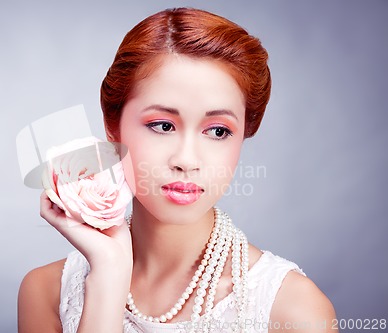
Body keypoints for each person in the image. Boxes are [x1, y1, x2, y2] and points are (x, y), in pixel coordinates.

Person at [18, 7, 336, 333]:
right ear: (113, 127)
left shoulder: (294, 310)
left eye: (218, 131)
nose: (186, 159)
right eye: (163, 125)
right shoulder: (47, 293)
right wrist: (109, 276)